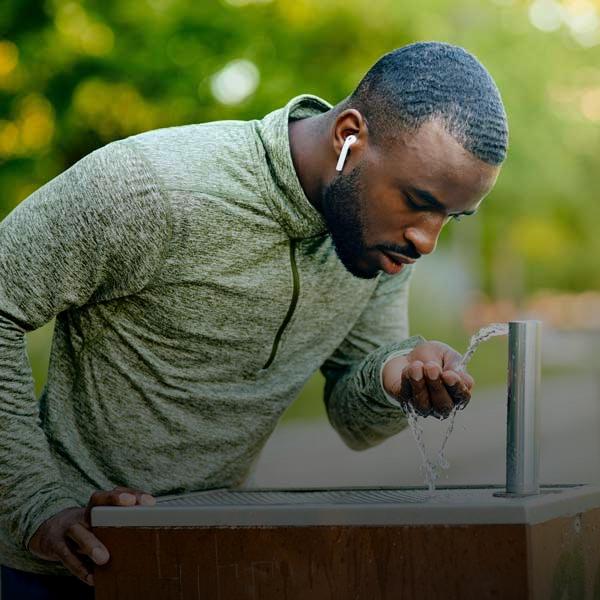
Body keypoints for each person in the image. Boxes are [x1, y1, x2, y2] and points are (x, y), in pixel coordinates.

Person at [0, 41, 508, 596]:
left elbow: (355, 422)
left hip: (208, 558)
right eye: (418, 200)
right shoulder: (152, 186)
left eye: (451, 217)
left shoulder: (377, 240)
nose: (427, 240)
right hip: (43, 568)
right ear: (348, 137)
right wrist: (36, 507)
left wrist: (392, 379)